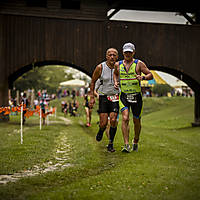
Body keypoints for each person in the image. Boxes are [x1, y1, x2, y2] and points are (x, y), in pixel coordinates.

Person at [113, 42, 153, 152]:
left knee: (136, 121)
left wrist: (143, 78)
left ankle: (135, 140)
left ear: (133, 52)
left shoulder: (139, 64)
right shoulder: (118, 64)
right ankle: (126, 144)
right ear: (123, 52)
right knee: (125, 118)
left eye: (130, 52)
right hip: (124, 96)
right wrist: (116, 82)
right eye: (126, 52)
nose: (127, 54)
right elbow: (115, 74)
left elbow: (150, 75)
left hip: (136, 97)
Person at [89, 48, 119, 152]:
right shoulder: (100, 67)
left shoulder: (120, 67)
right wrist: (92, 97)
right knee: (103, 123)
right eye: (110, 55)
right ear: (106, 56)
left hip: (115, 97)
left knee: (114, 120)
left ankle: (111, 143)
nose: (112, 57)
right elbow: (92, 82)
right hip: (103, 97)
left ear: (117, 57)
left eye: (114, 55)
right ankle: (101, 130)